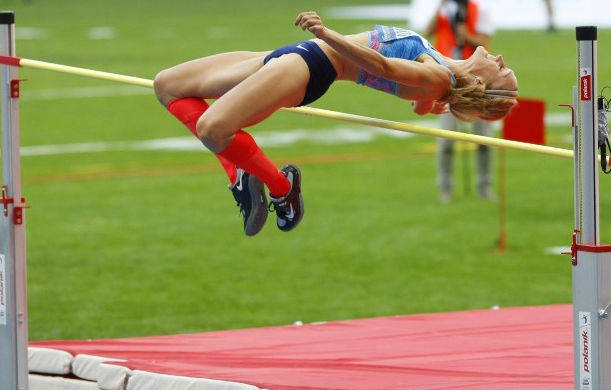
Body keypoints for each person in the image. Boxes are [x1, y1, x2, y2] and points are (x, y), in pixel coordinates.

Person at [153, 12, 519, 237]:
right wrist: (428, 106)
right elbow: (418, 101)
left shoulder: (438, 76)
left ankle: (282, 189)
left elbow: (387, 68)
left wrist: (328, 35)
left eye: (502, 69)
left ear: (484, 85)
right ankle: (240, 177)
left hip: (310, 67)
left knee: (213, 129)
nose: (500, 57)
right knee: (167, 85)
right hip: (295, 54)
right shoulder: (439, 71)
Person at [424, 0, 495, 202]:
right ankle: (445, 187)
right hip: (447, 79)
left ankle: (484, 185)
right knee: (446, 138)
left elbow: (484, 42)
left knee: (484, 138)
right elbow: (428, 30)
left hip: (475, 80)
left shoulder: (478, 10)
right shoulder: (446, 12)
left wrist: (467, 35)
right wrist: (442, 3)